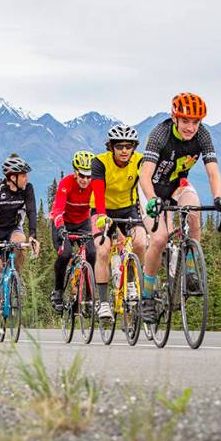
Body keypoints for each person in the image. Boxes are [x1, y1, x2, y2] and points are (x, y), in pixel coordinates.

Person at [138, 92, 221, 322]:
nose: (191, 127)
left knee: (194, 210)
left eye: (196, 122)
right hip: (151, 188)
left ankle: (190, 270)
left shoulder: (203, 135)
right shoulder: (160, 134)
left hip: (177, 186)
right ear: (174, 118)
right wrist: (152, 199)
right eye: (185, 121)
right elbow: (145, 175)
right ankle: (147, 298)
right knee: (159, 239)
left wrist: (218, 198)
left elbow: (213, 171)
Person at [91, 124, 149, 319]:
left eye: (128, 146)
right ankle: (103, 303)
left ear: (134, 147)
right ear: (111, 147)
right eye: (119, 146)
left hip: (128, 208)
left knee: (140, 242)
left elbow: (148, 184)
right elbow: (98, 191)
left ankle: (132, 282)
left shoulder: (140, 161)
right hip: (102, 209)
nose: (124, 150)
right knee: (103, 250)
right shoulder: (100, 162)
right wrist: (101, 215)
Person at [0, 154, 40, 320]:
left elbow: (32, 211)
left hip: (14, 228)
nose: (26, 178)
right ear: (13, 177)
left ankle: (16, 278)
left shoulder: (27, 188)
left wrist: (33, 235)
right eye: (23, 175)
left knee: (20, 243)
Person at [50, 151, 97, 313]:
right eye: (82, 176)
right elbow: (57, 210)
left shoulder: (94, 184)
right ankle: (58, 292)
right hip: (63, 222)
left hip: (83, 222)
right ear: (75, 172)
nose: (85, 180)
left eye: (89, 176)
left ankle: (90, 298)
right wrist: (61, 229)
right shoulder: (66, 183)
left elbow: (99, 208)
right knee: (65, 254)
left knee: (92, 253)